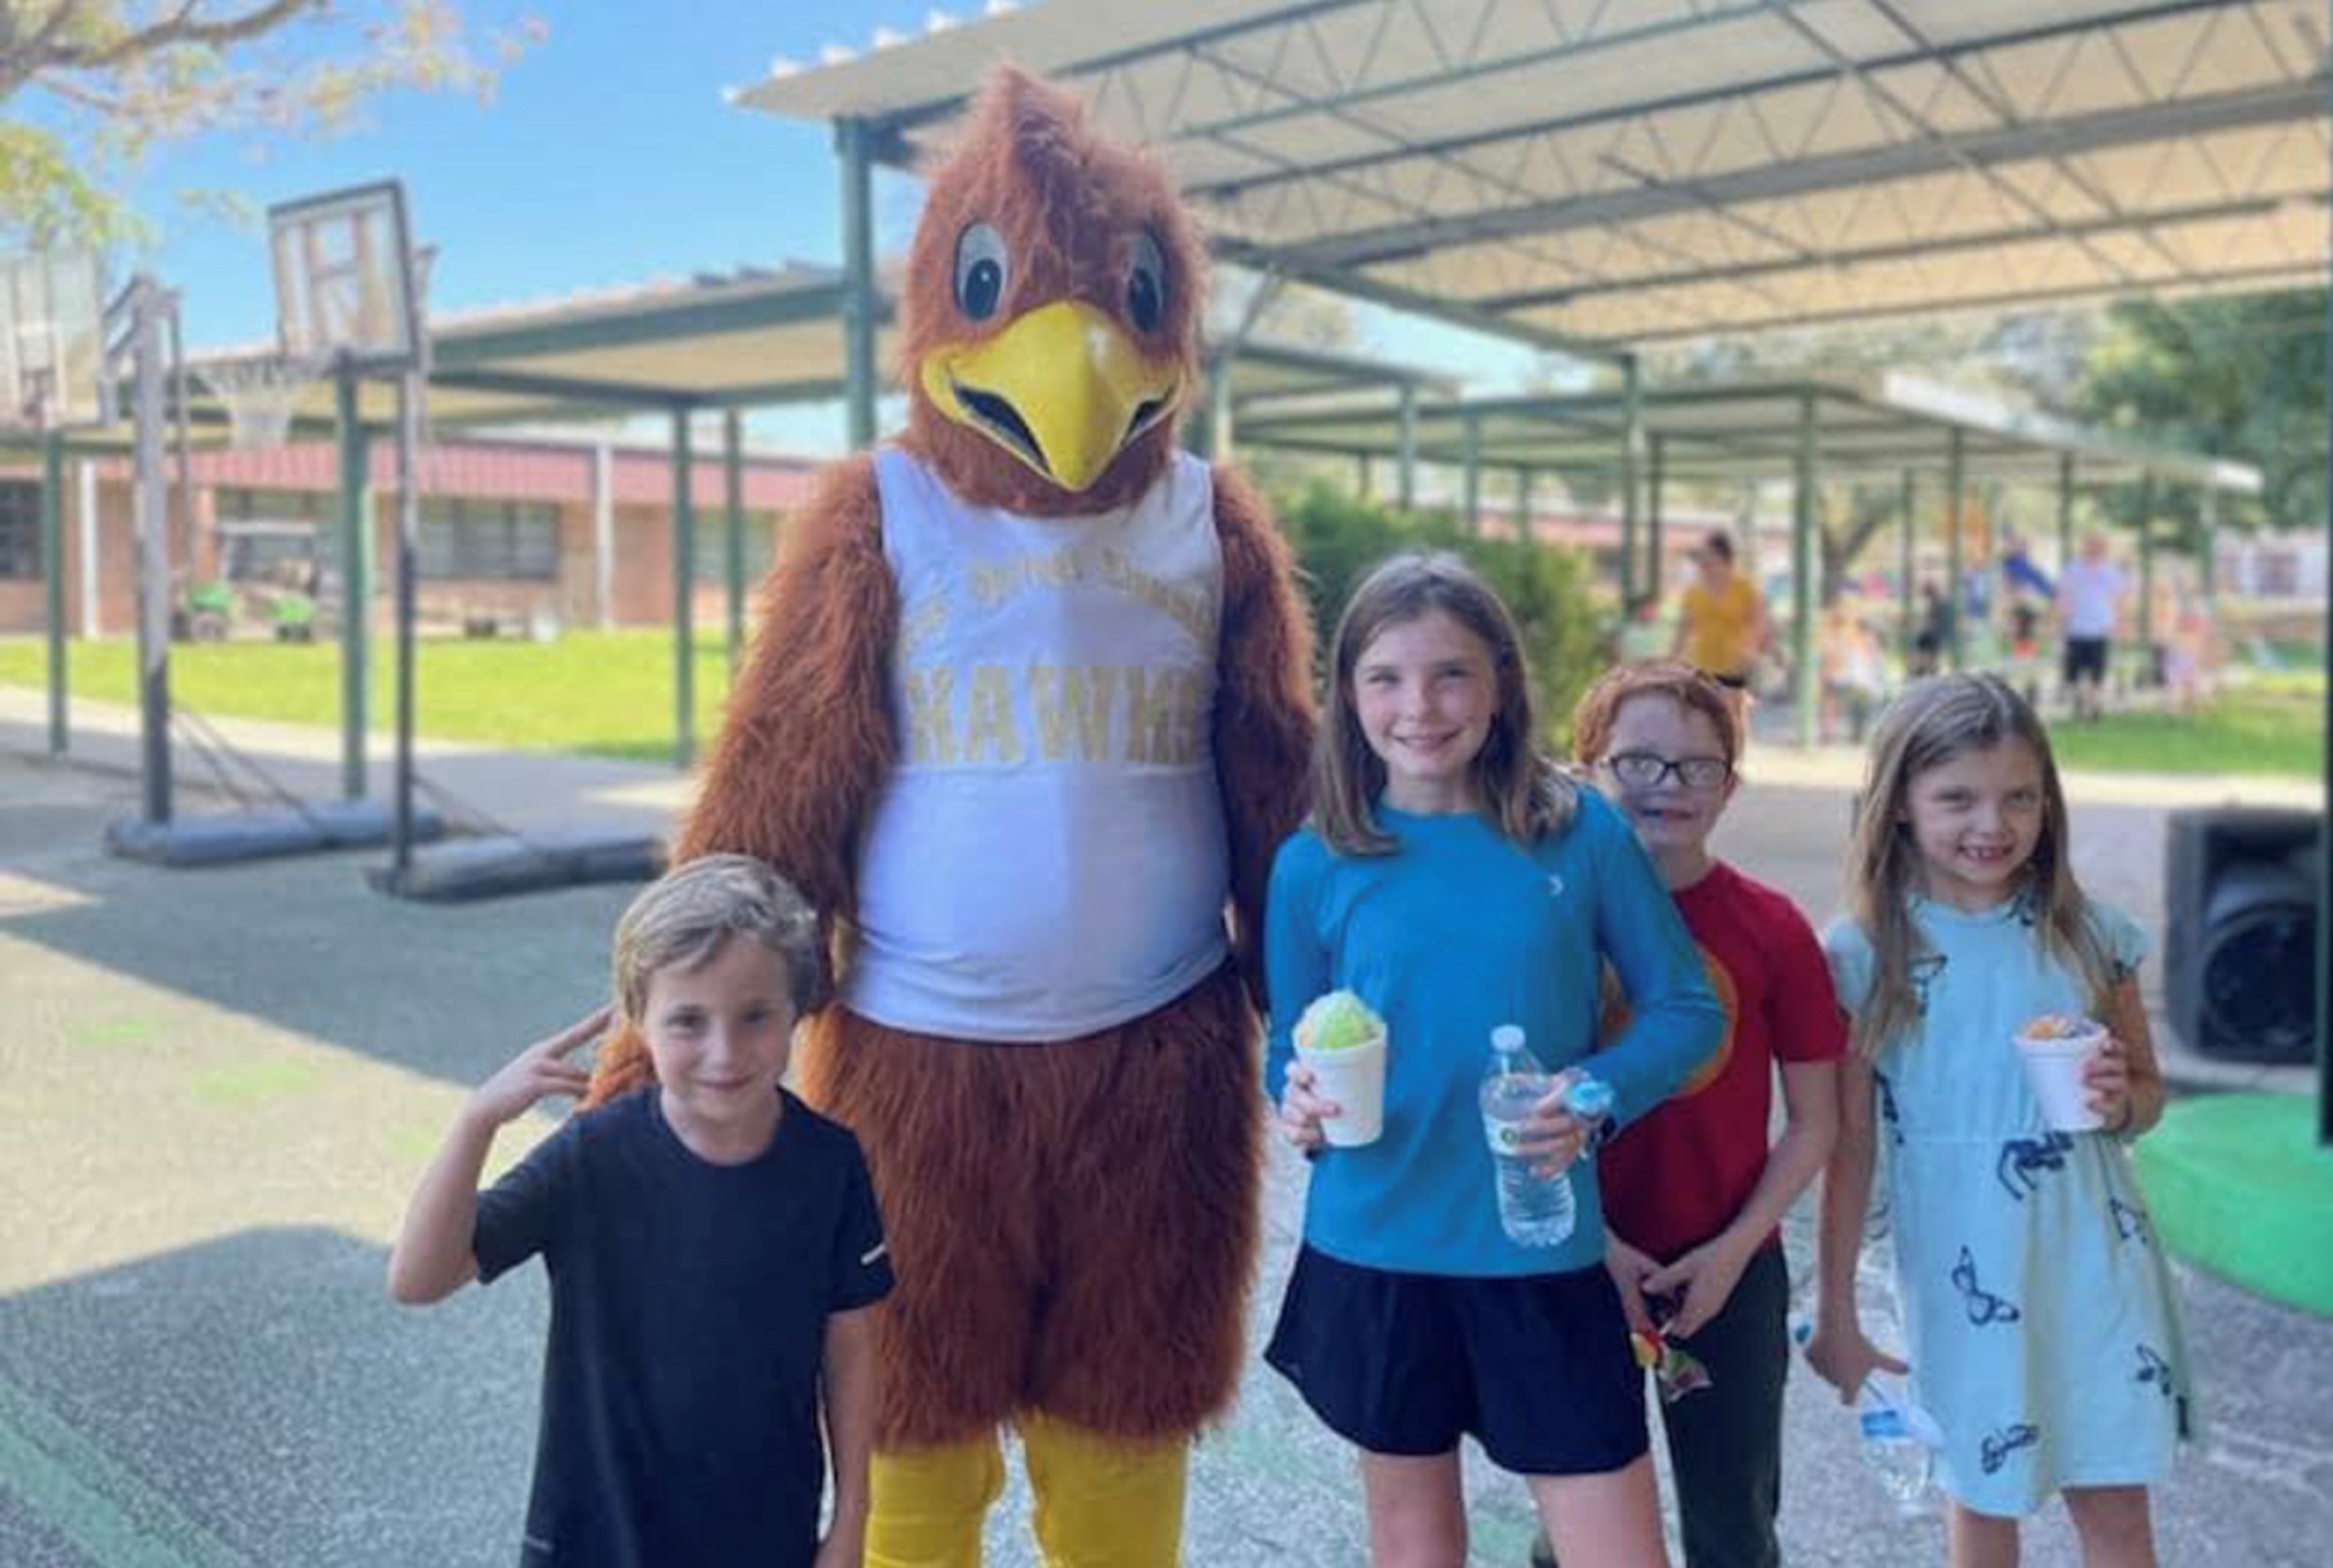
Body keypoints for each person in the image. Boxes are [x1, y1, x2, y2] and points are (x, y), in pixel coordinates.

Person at [1263, 552, 1725, 1568]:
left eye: (1450, 674)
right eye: (1384, 677)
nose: (1418, 706)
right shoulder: (1311, 863)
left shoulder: (1576, 834)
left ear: (1501, 683)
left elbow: (1687, 1011)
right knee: (1412, 1539)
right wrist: (1293, 1099)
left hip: (1536, 1245)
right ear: (1346, 694)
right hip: (1375, 1247)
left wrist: (1593, 1094)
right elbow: (1286, 1043)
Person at [387, 855, 892, 1568]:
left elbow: (850, 1348)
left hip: (764, 1534)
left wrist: (850, 1521)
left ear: (796, 1009)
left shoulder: (829, 1162)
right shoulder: (590, 1156)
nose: (725, 1051)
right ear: (639, 1021)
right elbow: (418, 1278)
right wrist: (477, 1121)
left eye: (755, 1016)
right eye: (688, 1020)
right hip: (598, 1536)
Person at [1805, 674, 2189, 1568]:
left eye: (2019, 797)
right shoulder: (1861, 953)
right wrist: (1833, 1308)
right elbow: (1850, 1143)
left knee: (2113, 1496)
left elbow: (2145, 1094)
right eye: (1957, 799)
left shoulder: (2089, 934)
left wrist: (2115, 1098)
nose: (1994, 823)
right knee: (1980, 1498)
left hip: (2093, 1257)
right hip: (1956, 1263)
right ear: (1898, 803)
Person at [1521, 662, 1842, 1568]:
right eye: (1638, 761)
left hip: (1727, 1269)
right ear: (1584, 767)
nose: (1667, 786)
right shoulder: (1543, 918)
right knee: (1578, 1524)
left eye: (1696, 767)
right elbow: (1510, 1097)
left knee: (1731, 1523)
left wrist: (1734, 1249)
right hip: (1583, 1259)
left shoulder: (1773, 929)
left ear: (1730, 785)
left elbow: (1814, 1121)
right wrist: (1596, 1245)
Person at [1673, 532, 1767, 720]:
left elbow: (1759, 622)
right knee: (1704, 720)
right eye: (1701, 555)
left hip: (1735, 665)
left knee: (1733, 719)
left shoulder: (1743, 588)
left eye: (1707, 553)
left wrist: (1751, 651)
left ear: (1722, 556)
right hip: (1701, 666)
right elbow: (1683, 629)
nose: (1702, 559)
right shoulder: (1693, 592)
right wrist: (1672, 660)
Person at [2056, 533, 2127, 721]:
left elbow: (2119, 601)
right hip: (2076, 629)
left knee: (2097, 672)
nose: (2095, 550)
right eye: (2091, 546)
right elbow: (2064, 599)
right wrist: (2061, 624)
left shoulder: (2112, 572)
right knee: (2075, 672)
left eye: (2099, 546)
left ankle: (2094, 707)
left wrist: (2119, 625)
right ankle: (2079, 703)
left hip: (2100, 629)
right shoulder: (2072, 570)